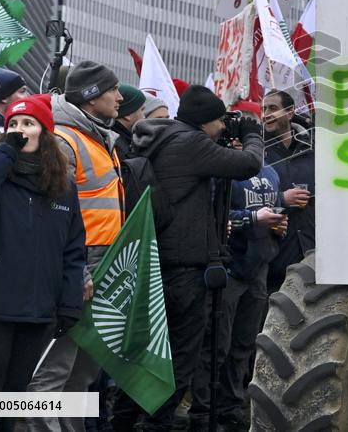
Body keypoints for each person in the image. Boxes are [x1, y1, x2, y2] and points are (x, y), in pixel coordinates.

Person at [110, 85, 263, 432]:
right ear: (204, 122)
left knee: (146, 351)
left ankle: (121, 421)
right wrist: (253, 133)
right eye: (220, 121)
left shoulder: (159, 137)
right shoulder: (191, 143)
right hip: (185, 268)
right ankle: (156, 424)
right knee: (181, 353)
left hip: (157, 259)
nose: (224, 128)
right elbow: (248, 164)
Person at [0, 98, 84, 432]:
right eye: (13, 124)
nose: (19, 130)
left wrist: (69, 304)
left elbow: (73, 251)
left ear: (46, 132)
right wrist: (6, 149)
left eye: (28, 124)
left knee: (13, 401)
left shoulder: (64, 187)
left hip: (37, 311)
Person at [27, 61, 124, 432]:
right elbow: (55, 216)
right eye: (112, 90)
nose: (119, 97)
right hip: (78, 271)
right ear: (91, 97)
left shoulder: (98, 137)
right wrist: (78, 271)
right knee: (56, 370)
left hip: (101, 269)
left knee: (82, 373)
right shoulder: (67, 142)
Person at [188, 155, 288, 431]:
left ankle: (232, 406)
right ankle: (204, 411)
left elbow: (273, 210)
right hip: (230, 268)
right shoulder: (224, 171)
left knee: (244, 344)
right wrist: (252, 218)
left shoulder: (271, 172)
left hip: (259, 269)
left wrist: (278, 224)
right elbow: (210, 215)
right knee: (216, 345)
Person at [262, 90, 313, 292]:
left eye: (273, 108)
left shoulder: (312, 147)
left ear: (290, 113)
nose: (266, 114)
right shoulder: (257, 152)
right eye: (263, 109)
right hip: (275, 255)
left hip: (310, 248)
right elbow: (244, 199)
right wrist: (282, 198)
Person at [110, 84, 146, 161]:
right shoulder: (118, 147)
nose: (144, 116)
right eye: (142, 110)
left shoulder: (119, 140)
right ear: (127, 114)